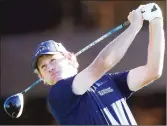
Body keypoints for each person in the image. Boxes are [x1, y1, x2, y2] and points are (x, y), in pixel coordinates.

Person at [31, 3, 165, 125]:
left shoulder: (109, 81)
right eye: (43, 67)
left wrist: (156, 21)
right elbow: (104, 62)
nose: (49, 68)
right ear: (43, 78)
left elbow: (152, 71)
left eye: (53, 60)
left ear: (69, 57)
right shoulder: (58, 93)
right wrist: (134, 27)